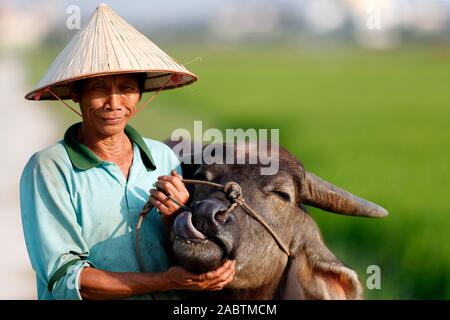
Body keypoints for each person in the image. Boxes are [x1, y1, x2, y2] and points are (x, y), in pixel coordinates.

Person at [20, 4, 235, 300]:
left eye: (125, 87)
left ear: (140, 93)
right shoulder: (50, 168)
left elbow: (177, 248)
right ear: (76, 94)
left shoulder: (162, 158)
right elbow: (69, 281)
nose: (114, 102)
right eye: (98, 88)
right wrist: (165, 281)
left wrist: (178, 220)